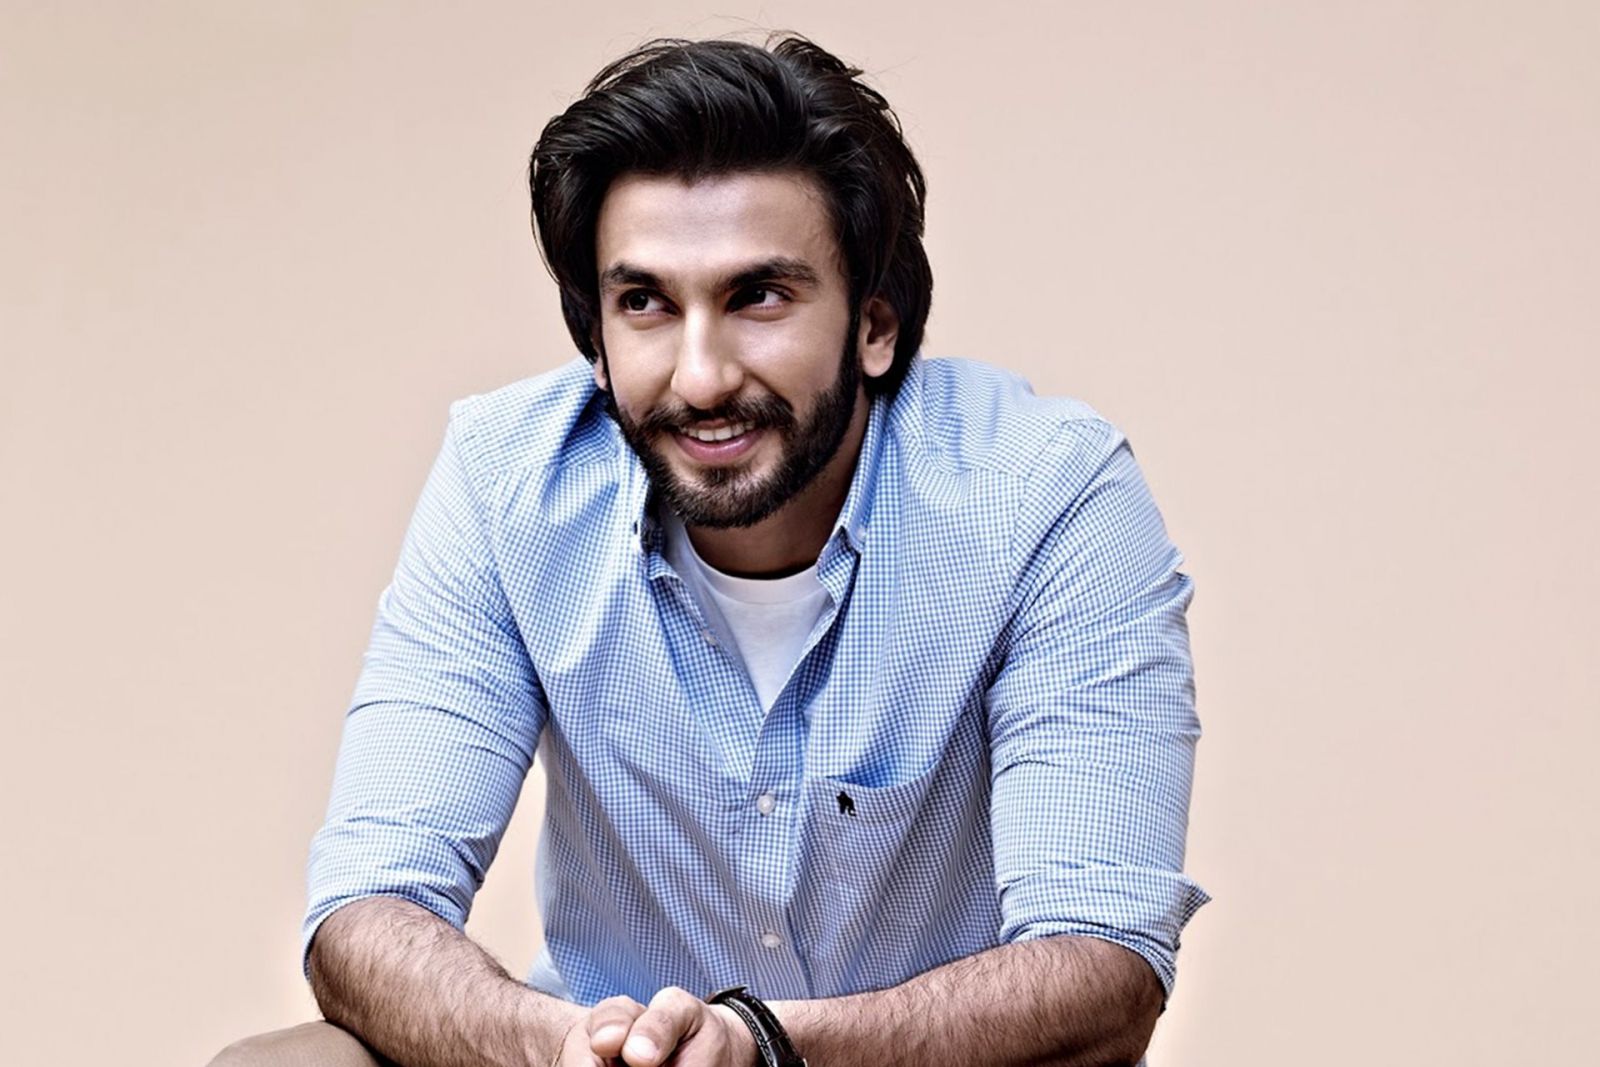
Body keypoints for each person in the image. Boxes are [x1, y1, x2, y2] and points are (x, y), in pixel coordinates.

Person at [211, 33, 1208, 1067]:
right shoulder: (507, 480)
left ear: (874, 323)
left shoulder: (1044, 491)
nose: (699, 377)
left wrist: (761, 1045)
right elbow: (366, 909)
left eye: (757, 297)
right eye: (645, 303)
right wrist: (575, 1047)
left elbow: (1105, 967)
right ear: (597, 340)